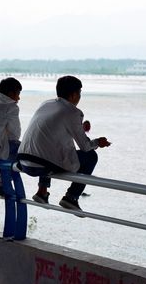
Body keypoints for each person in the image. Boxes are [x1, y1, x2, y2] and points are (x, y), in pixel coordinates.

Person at [17, 75, 110, 212]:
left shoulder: (46, 104)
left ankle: (42, 191)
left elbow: (54, 132)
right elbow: (84, 146)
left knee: (46, 146)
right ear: (73, 95)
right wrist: (98, 142)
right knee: (91, 156)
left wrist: (79, 128)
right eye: (79, 93)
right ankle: (71, 197)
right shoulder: (73, 112)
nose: (79, 97)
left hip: (23, 162)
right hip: (42, 166)